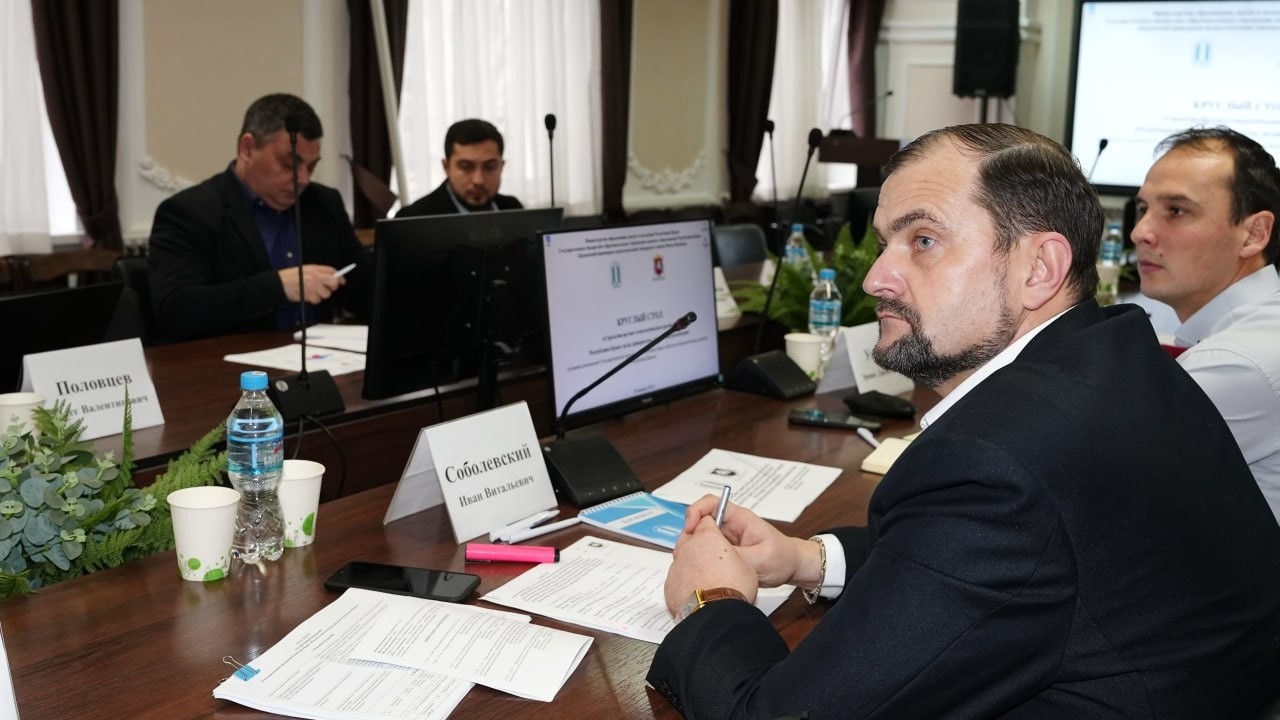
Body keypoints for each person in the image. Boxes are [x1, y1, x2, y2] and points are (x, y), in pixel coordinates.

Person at [647, 124, 1280, 718]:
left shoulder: (998, 464)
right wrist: (808, 558)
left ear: (1039, 268)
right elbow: (997, 560)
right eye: (884, 243)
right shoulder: (1114, 353)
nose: (875, 278)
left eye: (923, 241)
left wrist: (711, 599)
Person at [1133, 126, 1280, 523]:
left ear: (1254, 234)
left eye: (1176, 211)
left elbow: (1090, 473)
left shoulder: (1237, 363)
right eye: (1143, 209)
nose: (1140, 232)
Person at [149, 93, 370, 341]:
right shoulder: (189, 212)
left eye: (311, 166)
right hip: (229, 360)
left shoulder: (323, 203)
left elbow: (361, 289)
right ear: (247, 148)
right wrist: (277, 288)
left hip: (323, 356)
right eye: (289, 164)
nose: (303, 179)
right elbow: (176, 311)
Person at [396, 119, 523, 217]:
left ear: (501, 167)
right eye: (466, 167)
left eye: (489, 167)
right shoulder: (413, 218)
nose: (478, 180)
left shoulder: (513, 209)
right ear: (446, 167)